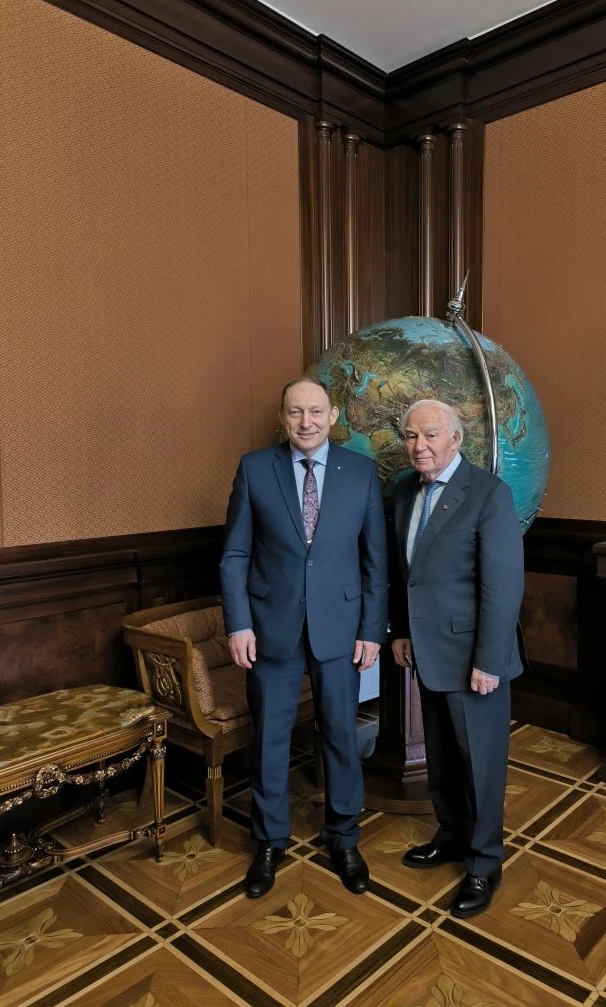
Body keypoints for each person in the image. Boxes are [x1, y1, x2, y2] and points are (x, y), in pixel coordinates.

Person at [220, 377, 387, 898]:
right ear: (282, 417)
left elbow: (375, 562)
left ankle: (344, 838)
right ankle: (269, 842)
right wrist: (239, 623)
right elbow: (235, 554)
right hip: (272, 628)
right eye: (296, 412)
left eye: (316, 411)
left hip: (341, 629)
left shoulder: (361, 472)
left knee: (340, 735)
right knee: (270, 738)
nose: (306, 421)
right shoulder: (255, 468)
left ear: (333, 416)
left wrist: (372, 631)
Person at [389, 398, 524, 918]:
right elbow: (406, 574)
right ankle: (450, 835)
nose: (418, 446)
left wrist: (489, 660)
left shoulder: (489, 493)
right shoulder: (404, 491)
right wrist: (401, 631)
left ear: (455, 439)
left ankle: (485, 862)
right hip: (427, 652)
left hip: (474, 659)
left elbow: (503, 586)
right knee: (442, 756)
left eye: (429, 435)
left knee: (480, 765)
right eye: (410, 436)